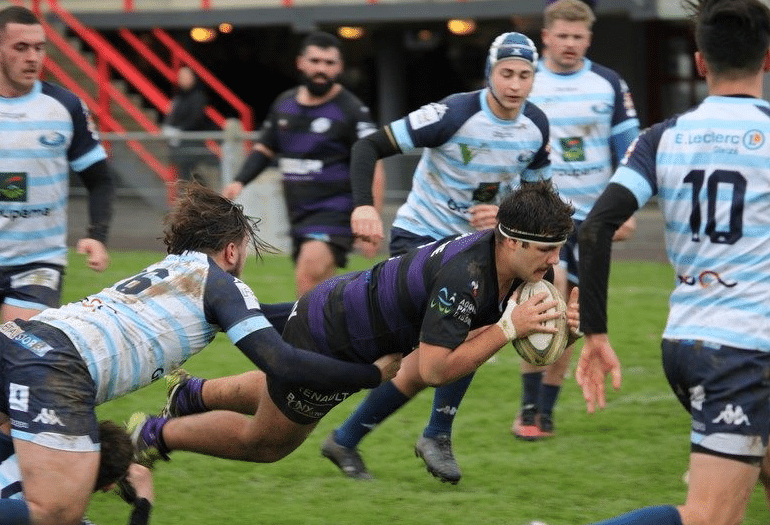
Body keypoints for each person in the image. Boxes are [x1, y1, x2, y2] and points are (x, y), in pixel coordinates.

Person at [0, 182, 398, 525]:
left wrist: (358, 302)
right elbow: (280, 361)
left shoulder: (172, 272)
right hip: (56, 368)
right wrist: (372, 377)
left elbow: (283, 315)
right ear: (232, 250)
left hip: (16, 339)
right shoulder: (218, 283)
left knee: (30, 483)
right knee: (58, 511)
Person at [128, 181, 578, 484]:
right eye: (547, 249)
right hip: (335, 338)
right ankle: (154, 435)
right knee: (268, 443)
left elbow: (487, 336)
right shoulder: (468, 275)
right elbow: (436, 369)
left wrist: (559, 334)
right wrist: (507, 329)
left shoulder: (510, 267)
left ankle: (191, 396)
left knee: (283, 394)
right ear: (512, 241)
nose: (554, 261)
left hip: (343, 313)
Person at [575, 1, 770, 524]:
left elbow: (595, 228)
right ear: (768, 59)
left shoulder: (660, 138)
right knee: (710, 518)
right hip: (741, 353)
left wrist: (595, 333)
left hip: (686, 345)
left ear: (701, 62)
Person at [326, 31, 551, 484]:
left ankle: (346, 439)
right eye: (506, 73)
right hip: (422, 239)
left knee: (422, 361)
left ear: (533, 79)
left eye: (524, 75)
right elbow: (368, 146)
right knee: (467, 335)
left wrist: (507, 210)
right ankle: (435, 434)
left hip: (477, 250)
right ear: (490, 72)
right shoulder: (453, 113)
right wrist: (363, 205)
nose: (514, 84)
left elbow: (540, 196)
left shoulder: (536, 127)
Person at [0, 5, 115, 471]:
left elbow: (100, 178)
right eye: (21, 47)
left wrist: (96, 235)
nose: (33, 56)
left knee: (16, 364)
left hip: (37, 263)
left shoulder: (65, 106)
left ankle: (3, 488)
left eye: (40, 47)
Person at [509, 0, 641, 441]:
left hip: (595, 219)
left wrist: (626, 209)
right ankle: (529, 409)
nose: (569, 44)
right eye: (562, 36)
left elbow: (630, 150)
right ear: (545, 36)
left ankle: (543, 409)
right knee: (551, 299)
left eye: (578, 37)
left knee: (575, 319)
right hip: (543, 217)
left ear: (589, 38)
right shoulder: (527, 81)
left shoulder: (608, 83)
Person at [221, 30, 386, 298]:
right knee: (320, 289)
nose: (322, 69)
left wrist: (371, 217)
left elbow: (374, 164)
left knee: (308, 274)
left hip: (335, 211)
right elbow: (265, 148)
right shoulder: (284, 104)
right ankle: (335, 337)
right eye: (315, 61)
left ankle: (305, 339)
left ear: (340, 67)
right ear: (301, 63)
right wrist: (239, 180)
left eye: (329, 63)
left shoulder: (351, 110)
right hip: (298, 214)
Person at [0, 421, 155, 525]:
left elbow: (6, 424)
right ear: (109, 486)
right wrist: (143, 503)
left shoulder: (30, 450)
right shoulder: (63, 518)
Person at [162, 66, 217, 185]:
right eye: (181, 77)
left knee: (198, 180)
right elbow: (171, 118)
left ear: (193, 78)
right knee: (184, 180)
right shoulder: (178, 98)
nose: (183, 79)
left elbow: (196, 119)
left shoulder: (198, 97)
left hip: (194, 147)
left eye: (186, 76)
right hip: (180, 149)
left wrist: (179, 130)